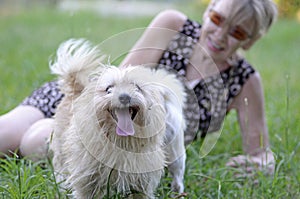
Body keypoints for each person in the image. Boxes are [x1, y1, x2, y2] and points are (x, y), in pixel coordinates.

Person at [0, 0, 277, 175]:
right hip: (88, 104)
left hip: (125, 148)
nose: (220, 34)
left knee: (35, 141)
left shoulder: (244, 82)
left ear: (250, 41)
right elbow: (120, 82)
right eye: (217, 19)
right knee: (5, 135)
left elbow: (260, 152)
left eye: (237, 32)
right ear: (208, 9)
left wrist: (261, 164)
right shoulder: (173, 26)